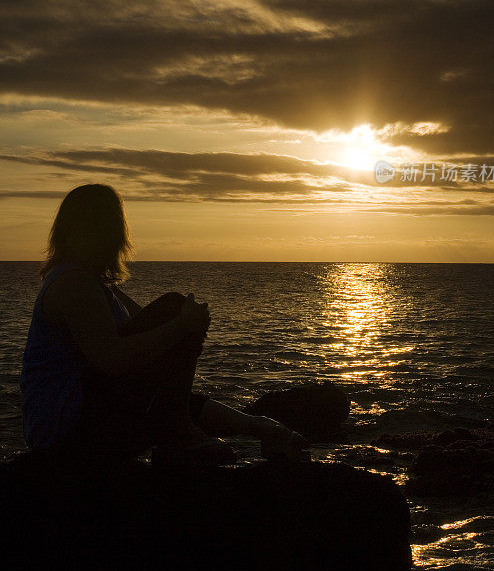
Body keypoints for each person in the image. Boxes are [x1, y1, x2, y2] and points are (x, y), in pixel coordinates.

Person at [20, 183, 310, 473]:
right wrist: (182, 324)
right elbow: (112, 359)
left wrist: (262, 426)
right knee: (173, 309)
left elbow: (163, 376)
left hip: (84, 426)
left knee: (172, 401)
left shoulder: (95, 285)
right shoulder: (73, 285)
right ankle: (178, 436)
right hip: (68, 436)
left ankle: (258, 430)